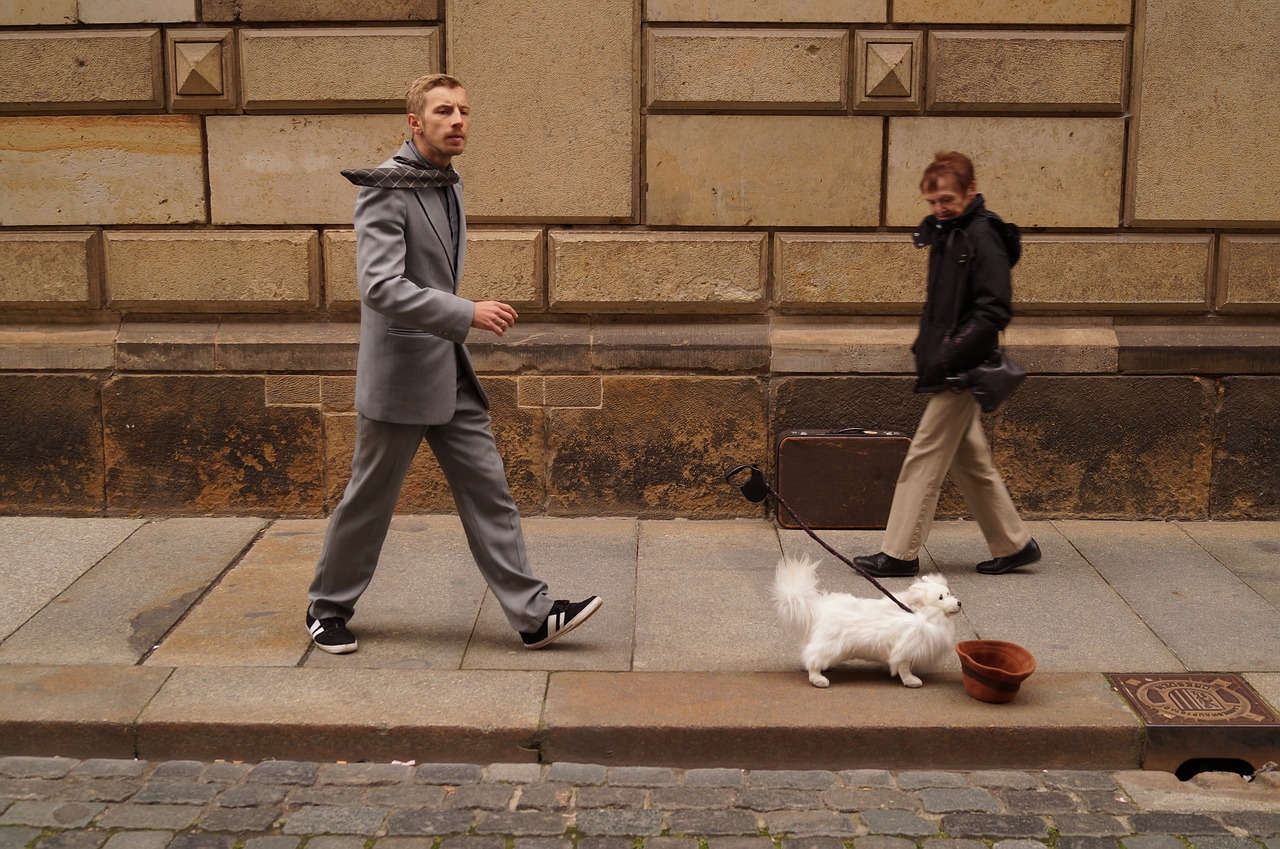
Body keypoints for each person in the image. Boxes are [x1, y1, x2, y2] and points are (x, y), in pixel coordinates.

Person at [305, 73, 601, 654]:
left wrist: (456, 323)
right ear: (414, 123)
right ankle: (327, 608)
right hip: (402, 375)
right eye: (444, 111)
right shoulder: (385, 189)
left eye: (464, 110)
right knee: (369, 500)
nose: (458, 120)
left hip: (449, 369)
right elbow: (380, 286)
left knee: (490, 490)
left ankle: (532, 615)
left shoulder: (447, 183)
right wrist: (465, 312)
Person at [854, 151, 1040, 578]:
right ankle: (1014, 544)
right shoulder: (948, 233)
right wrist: (929, 348)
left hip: (963, 367)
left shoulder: (982, 234)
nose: (939, 209)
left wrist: (950, 354)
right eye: (932, 202)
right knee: (969, 459)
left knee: (923, 455)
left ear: (970, 191)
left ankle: (898, 553)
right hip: (947, 361)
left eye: (947, 200)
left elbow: (995, 309)